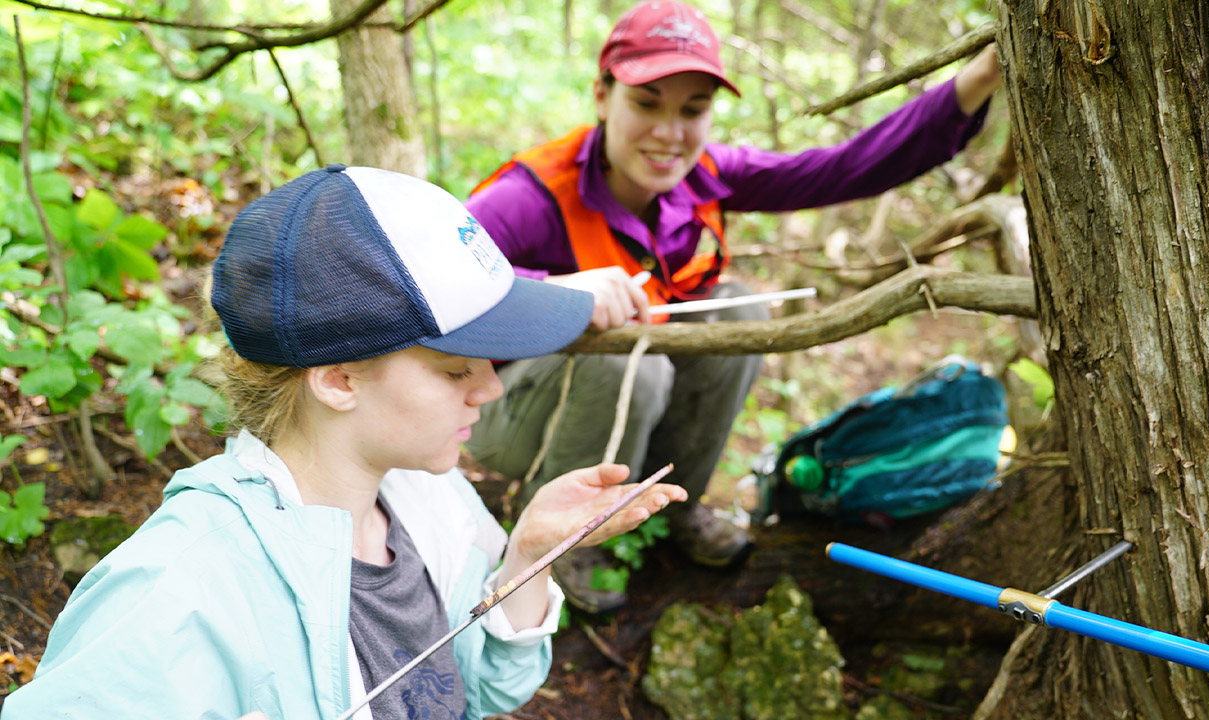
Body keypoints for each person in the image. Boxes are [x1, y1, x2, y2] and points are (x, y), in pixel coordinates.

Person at [1, 165, 687, 720]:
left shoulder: (429, 498)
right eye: (456, 368)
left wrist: (526, 559)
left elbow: (480, 691)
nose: (492, 390)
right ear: (337, 380)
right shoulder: (180, 590)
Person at [464, 0, 1003, 613]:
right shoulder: (530, 197)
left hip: (635, 397)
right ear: (601, 96)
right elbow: (426, 284)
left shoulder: (706, 175)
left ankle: (677, 501)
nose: (670, 134)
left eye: (692, 110)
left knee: (740, 309)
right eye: (646, 103)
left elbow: (841, 169)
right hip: (509, 416)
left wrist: (979, 79)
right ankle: (564, 539)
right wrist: (550, 290)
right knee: (627, 360)